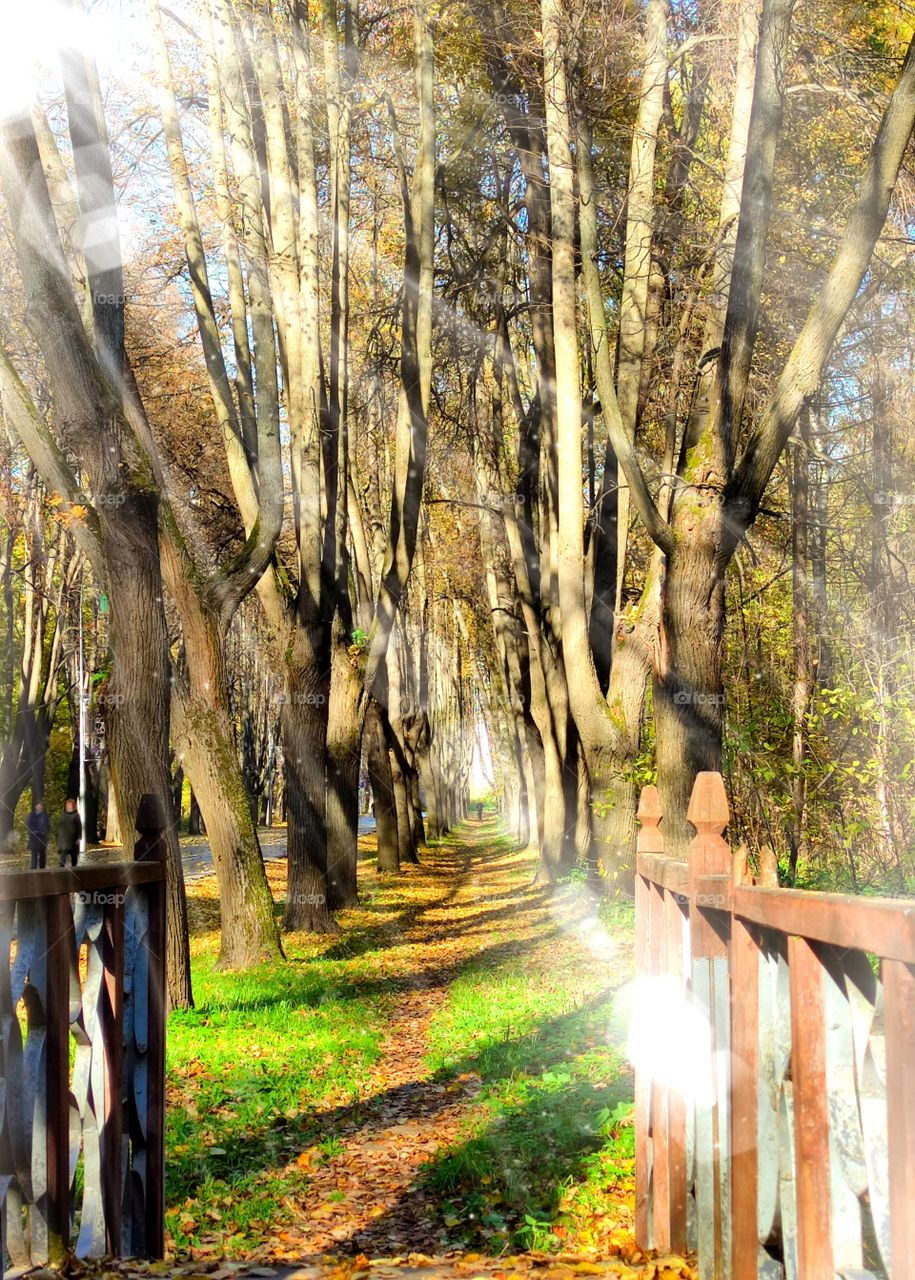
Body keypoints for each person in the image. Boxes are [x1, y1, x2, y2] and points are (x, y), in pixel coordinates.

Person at [57, 798, 82, 868]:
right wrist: (58, 835)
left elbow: (79, 827)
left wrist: (79, 837)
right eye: (67, 805)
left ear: (73, 806)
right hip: (64, 839)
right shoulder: (63, 815)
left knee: (73, 855)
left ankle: (74, 868)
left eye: (70, 805)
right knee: (63, 854)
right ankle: (61, 868)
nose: (68, 806)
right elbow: (59, 826)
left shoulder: (76, 815)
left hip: (73, 839)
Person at [26, 801, 51, 869]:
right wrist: (33, 831)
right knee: (34, 853)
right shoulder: (31, 815)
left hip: (42, 837)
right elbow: (28, 825)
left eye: (40, 805)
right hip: (34, 837)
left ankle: (42, 867)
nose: (38, 807)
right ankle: (33, 867)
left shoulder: (45, 815)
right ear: (35, 806)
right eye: (37, 805)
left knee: (42, 852)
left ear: (42, 806)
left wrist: (44, 832)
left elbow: (48, 826)